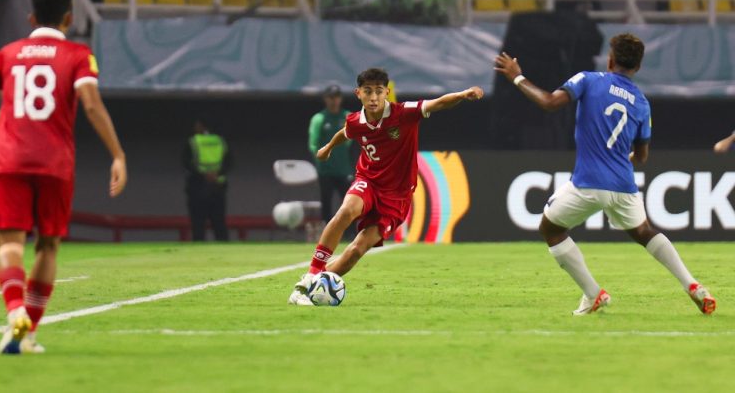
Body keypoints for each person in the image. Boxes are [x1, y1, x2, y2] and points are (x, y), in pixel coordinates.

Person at [494, 33, 716, 316]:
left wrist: (517, 77)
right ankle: (693, 286)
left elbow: (549, 102)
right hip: (624, 184)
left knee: (550, 229)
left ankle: (593, 294)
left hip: (588, 182)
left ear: (610, 60)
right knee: (644, 232)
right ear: (637, 67)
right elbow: (643, 156)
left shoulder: (589, 80)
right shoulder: (641, 103)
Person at [0, 0, 127, 354]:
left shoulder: (7, 53)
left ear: (31, 17)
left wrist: (12, 126)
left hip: (10, 160)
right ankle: (28, 333)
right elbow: (91, 105)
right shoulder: (77, 54)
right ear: (69, 18)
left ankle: (14, 313)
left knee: (10, 243)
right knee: (48, 245)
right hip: (54, 162)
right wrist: (118, 155)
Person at [288, 68, 484, 305]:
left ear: (386, 93)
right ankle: (311, 274)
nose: (373, 97)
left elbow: (439, 103)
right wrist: (327, 148)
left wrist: (463, 94)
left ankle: (310, 289)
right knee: (347, 211)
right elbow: (345, 133)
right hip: (368, 181)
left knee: (356, 251)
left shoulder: (404, 113)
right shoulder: (356, 121)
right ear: (358, 93)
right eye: (368, 92)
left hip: (397, 197)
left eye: (378, 92)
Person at [308, 85, 352, 229]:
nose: (334, 101)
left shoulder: (347, 116)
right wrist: (321, 158)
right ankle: (327, 233)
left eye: (337, 97)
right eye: (331, 97)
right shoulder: (319, 119)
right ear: (325, 99)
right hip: (325, 171)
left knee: (350, 202)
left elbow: (350, 141)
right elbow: (313, 144)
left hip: (344, 170)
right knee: (326, 203)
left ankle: (350, 233)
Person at [183, 120, 230, 241]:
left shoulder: (193, 142)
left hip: (198, 187)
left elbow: (186, 163)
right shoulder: (221, 141)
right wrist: (217, 174)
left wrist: (203, 174)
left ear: (200, 126)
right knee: (219, 223)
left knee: (198, 224)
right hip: (218, 186)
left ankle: (198, 253)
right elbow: (230, 162)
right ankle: (225, 252)